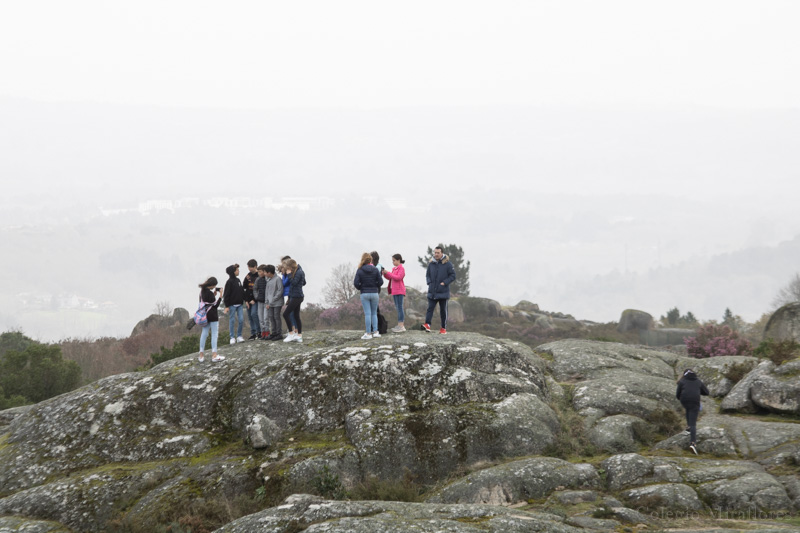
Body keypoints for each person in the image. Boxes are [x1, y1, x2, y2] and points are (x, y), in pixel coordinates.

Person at [423, 246, 456, 334]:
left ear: (442, 253)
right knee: (430, 308)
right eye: (435, 252)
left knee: (443, 311)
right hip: (432, 291)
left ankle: (443, 328)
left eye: (438, 253)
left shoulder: (448, 264)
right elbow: (427, 275)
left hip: (443, 292)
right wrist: (429, 282)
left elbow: (453, 276)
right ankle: (427, 324)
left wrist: (444, 283)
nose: (436, 254)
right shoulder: (431, 264)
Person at [676, 368, 709, 454]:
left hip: (684, 401)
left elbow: (677, 394)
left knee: (688, 409)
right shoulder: (698, 381)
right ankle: (693, 443)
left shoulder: (682, 381)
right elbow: (707, 392)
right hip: (694, 401)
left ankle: (689, 427)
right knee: (693, 422)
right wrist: (697, 390)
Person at [354, 252, 383, 340]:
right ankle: (376, 332)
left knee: (367, 314)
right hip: (374, 293)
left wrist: (361, 287)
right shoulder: (375, 269)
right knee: (374, 313)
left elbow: (355, 283)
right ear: (370, 260)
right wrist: (375, 286)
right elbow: (381, 282)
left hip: (365, 293)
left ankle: (368, 333)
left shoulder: (359, 270)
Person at [197, 277, 225, 363]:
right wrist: (220, 296)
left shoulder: (202, 291)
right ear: (212, 285)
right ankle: (214, 355)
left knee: (204, 334)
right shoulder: (209, 294)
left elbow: (205, 303)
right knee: (214, 334)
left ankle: (201, 355)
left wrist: (213, 295)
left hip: (204, 316)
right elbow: (215, 305)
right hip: (213, 315)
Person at [283, 259, 306, 343]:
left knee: (285, 314)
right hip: (295, 295)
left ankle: (291, 333)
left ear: (290, 267)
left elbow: (294, 282)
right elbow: (304, 282)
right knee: (296, 315)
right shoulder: (298, 271)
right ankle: (299, 336)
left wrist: (289, 275)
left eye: (288, 268)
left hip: (297, 296)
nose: (287, 270)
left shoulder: (299, 272)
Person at [382, 253, 406, 332]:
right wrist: (385, 273)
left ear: (399, 260)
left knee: (400, 307)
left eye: (394, 260)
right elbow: (390, 278)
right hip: (394, 291)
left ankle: (401, 325)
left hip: (400, 290)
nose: (393, 262)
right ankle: (399, 325)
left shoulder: (401, 269)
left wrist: (388, 273)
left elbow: (398, 277)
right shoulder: (394, 269)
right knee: (397, 308)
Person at [223, 264, 245, 344]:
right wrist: (226, 306)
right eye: (237, 270)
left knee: (241, 320)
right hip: (232, 305)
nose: (238, 271)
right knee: (232, 321)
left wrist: (245, 300)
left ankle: (239, 336)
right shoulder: (229, 282)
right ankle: (232, 337)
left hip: (240, 304)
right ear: (233, 272)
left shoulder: (238, 280)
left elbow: (242, 291)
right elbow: (226, 295)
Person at [264, 264, 285, 340]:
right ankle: (274, 333)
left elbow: (280, 290)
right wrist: (267, 302)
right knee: (271, 317)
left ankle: (279, 333)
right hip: (270, 304)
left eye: (265, 272)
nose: (264, 274)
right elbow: (267, 292)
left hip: (277, 303)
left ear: (269, 272)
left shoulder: (277, 279)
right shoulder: (268, 280)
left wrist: (273, 299)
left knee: (276, 317)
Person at [243, 259, 260, 340]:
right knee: (250, 316)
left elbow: (260, 290)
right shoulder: (248, 276)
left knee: (254, 314)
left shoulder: (259, 276)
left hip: (255, 300)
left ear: (255, 267)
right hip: (248, 300)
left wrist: (255, 300)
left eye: (251, 267)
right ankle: (253, 334)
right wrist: (246, 300)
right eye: (249, 267)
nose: (250, 269)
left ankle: (259, 331)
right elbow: (245, 288)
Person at [255, 265, 269, 340]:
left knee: (266, 318)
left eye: (260, 271)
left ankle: (267, 333)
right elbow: (255, 289)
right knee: (260, 318)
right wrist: (257, 297)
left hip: (267, 302)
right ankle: (263, 333)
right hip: (260, 301)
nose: (259, 273)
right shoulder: (258, 280)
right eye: (258, 272)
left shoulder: (268, 279)